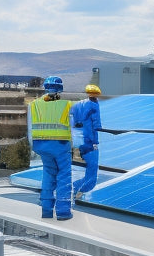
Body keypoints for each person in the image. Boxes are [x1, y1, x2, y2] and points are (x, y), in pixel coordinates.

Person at [28, 75, 73, 220]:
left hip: (40, 145)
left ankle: (46, 210)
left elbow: (29, 129)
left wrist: (33, 146)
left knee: (48, 174)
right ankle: (63, 211)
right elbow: (74, 127)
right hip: (60, 144)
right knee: (64, 175)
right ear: (60, 89)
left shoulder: (34, 104)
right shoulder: (67, 105)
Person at [71, 84, 102, 200]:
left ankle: (75, 189)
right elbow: (96, 124)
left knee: (83, 168)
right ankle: (79, 191)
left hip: (78, 140)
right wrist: (94, 142)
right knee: (92, 170)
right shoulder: (93, 105)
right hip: (89, 140)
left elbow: (74, 121)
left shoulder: (77, 105)